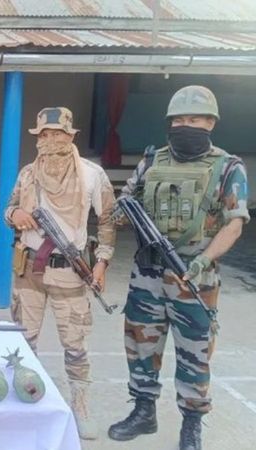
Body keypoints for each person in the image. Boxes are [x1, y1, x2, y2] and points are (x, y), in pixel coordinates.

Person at [108, 85, 249, 450]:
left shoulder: (228, 167)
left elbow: (234, 224)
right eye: (179, 120)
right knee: (140, 345)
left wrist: (202, 261)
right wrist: (122, 214)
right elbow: (125, 200)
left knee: (194, 352)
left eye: (195, 120)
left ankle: (192, 424)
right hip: (147, 274)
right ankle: (143, 411)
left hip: (195, 277)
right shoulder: (152, 161)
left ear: (211, 123)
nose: (186, 126)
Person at [4, 107, 116, 440]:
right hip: (29, 271)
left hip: (70, 272)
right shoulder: (27, 173)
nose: (50, 140)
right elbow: (8, 209)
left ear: (71, 136)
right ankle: (25, 400)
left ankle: (80, 406)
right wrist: (16, 214)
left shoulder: (92, 174)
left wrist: (102, 262)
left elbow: (108, 221)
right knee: (24, 341)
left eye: (58, 134)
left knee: (75, 344)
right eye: (44, 134)